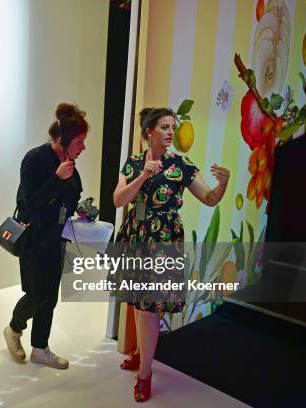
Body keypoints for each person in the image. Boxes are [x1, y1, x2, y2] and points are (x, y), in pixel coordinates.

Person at [112, 107, 230, 402]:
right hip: (137, 235)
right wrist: (141, 177)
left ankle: (145, 375)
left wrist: (223, 183)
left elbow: (209, 198)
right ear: (149, 131)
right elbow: (118, 200)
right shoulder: (135, 162)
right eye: (164, 127)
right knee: (139, 303)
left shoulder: (181, 164)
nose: (170, 133)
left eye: (172, 128)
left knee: (150, 308)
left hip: (164, 239)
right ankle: (141, 355)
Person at [3, 103, 88, 369]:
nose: (82, 148)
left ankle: (40, 348)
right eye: (79, 142)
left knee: (49, 297)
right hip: (34, 240)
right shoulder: (35, 159)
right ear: (63, 140)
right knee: (36, 294)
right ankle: (14, 330)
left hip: (56, 239)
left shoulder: (69, 164)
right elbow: (31, 203)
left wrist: (82, 214)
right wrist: (57, 177)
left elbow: (73, 196)